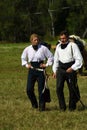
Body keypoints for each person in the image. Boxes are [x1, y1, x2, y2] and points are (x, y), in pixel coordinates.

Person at [21, 33, 53, 111]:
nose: (36, 41)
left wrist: (46, 64)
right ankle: (34, 104)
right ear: (31, 41)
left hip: (41, 70)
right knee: (29, 89)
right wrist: (26, 65)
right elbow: (23, 58)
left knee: (41, 89)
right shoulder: (27, 49)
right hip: (32, 70)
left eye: (37, 40)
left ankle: (42, 107)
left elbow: (51, 57)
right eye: (35, 40)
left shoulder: (43, 48)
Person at [52, 30, 83, 111]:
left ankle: (72, 107)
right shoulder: (58, 46)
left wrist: (72, 68)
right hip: (61, 70)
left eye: (64, 38)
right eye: (61, 38)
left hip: (70, 69)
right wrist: (55, 71)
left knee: (72, 89)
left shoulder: (73, 46)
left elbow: (79, 59)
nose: (62, 40)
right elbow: (56, 60)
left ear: (67, 38)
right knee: (59, 88)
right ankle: (62, 107)